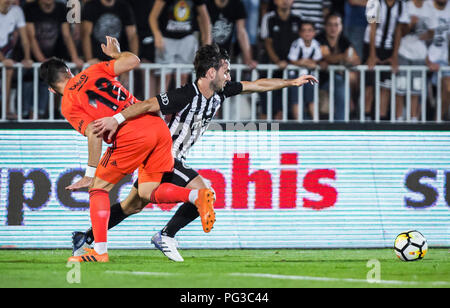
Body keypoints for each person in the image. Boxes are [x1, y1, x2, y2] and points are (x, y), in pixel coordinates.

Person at [72, 43, 318, 262]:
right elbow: (146, 104)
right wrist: (116, 119)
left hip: (170, 159)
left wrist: (290, 82)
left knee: (132, 206)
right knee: (204, 192)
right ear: (211, 73)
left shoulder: (220, 91)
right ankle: (166, 235)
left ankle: (86, 237)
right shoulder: (185, 95)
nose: (228, 76)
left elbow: (256, 85)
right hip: (164, 155)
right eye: (226, 71)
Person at [40, 36, 216, 263]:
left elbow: (94, 132)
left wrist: (89, 174)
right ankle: (196, 195)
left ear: (51, 90)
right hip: (158, 127)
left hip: (132, 134)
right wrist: (116, 54)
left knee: (97, 189)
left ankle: (99, 251)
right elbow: (133, 60)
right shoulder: (93, 70)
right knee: (146, 192)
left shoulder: (68, 103)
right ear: (68, 72)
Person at [23, 0, 83, 119]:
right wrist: (42, 60)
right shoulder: (30, 8)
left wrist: (75, 57)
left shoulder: (61, 8)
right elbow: (31, 37)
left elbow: (66, 35)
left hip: (54, 55)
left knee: (58, 77)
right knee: (30, 81)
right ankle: (27, 114)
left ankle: (53, 112)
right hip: (33, 58)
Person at [363, 0, 410, 121]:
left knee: (386, 86)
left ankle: (381, 118)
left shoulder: (401, 5)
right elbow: (372, 27)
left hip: (389, 47)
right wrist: (372, 54)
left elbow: (399, 31)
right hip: (371, 45)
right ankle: (366, 118)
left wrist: (394, 55)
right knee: (369, 84)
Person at [149, 0, 212, 90]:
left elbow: (205, 18)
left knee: (183, 76)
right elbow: (152, 17)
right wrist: (157, 35)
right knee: (164, 76)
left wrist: (207, 42)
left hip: (187, 39)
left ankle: (181, 103)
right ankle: (160, 103)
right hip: (166, 38)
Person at [259, 0, 303, 120]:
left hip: (290, 70)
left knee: (282, 113)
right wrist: (277, 61)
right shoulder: (269, 18)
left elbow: (301, 43)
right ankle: (261, 137)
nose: (285, 1)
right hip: (270, 69)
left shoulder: (298, 18)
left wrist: (292, 63)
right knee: (266, 110)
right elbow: (267, 42)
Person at [396, 0, 436, 122]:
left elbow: (432, 32)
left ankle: (413, 118)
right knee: (400, 87)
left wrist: (427, 34)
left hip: (420, 55)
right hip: (403, 52)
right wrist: (410, 25)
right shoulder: (407, 6)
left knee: (416, 89)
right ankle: (398, 118)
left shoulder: (429, 7)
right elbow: (400, 32)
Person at [316, 13, 360, 121]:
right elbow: (327, 57)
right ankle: (341, 123)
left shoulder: (344, 40)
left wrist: (347, 59)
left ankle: (351, 109)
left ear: (341, 27)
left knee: (352, 77)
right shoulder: (319, 38)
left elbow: (356, 60)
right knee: (341, 84)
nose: (333, 28)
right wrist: (344, 57)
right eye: (330, 25)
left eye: (336, 25)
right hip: (319, 79)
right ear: (325, 26)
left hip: (337, 78)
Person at [0, 0, 33, 120]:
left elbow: (25, 39)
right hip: (3, 56)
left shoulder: (17, 11)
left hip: (5, 54)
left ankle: (6, 110)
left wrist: (28, 57)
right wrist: (3, 59)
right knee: (7, 68)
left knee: (9, 71)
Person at [207, 0, 257, 69]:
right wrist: (205, 58)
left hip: (224, 56)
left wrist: (248, 58)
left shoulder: (237, 4)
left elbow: (241, 32)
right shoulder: (205, 3)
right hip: (205, 55)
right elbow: (205, 34)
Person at [287, 21, 322, 120]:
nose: (307, 33)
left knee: (312, 100)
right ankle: (298, 124)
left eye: (310, 30)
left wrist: (303, 62)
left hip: (309, 77)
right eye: (304, 30)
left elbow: (316, 61)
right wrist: (307, 63)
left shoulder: (316, 44)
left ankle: (316, 124)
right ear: (300, 33)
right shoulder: (296, 43)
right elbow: (292, 60)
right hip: (295, 77)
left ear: (314, 32)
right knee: (296, 100)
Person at [426, 0, 450, 121]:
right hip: (421, 58)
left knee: (448, 88)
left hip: (443, 61)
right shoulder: (426, 6)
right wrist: (427, 61)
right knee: (417, 94)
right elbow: (418, 37)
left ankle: (437, 123)